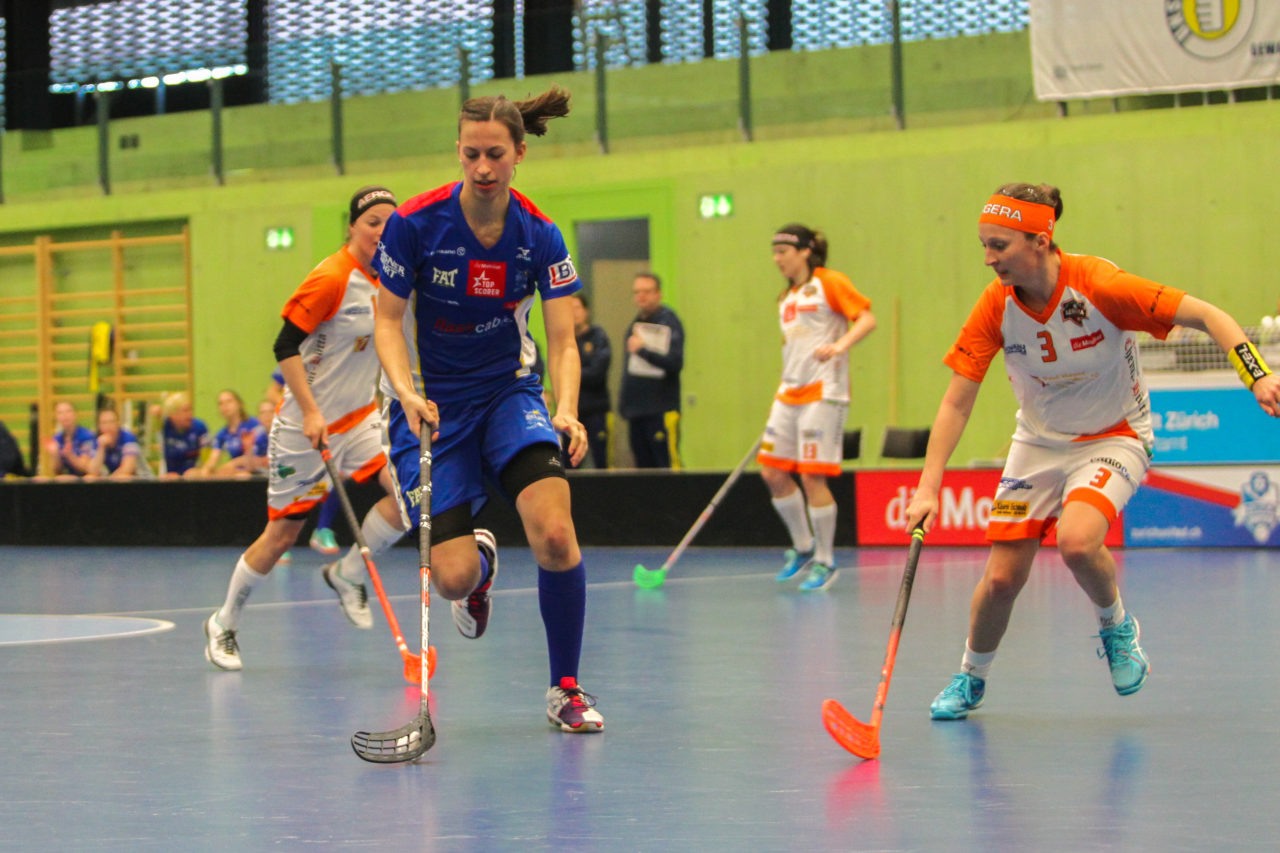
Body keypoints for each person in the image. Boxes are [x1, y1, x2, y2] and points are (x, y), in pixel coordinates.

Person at [905, 182, 1280, 721]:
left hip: (1114, 436)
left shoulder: (1101, 285)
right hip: (1037, 443)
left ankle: (1116, 627)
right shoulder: (996, 305)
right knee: (1003, 580)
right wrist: (927, 486)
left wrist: (1257, 375)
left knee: (1078, 542)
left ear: (1040, 239)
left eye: (1000, 246)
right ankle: (971, 677)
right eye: (983, 245)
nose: (988, 259)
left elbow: (1209, 315)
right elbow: (956, 403)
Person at [373, 85, 604, 733]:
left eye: (495, 154)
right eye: (471, 153)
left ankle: (566, 688)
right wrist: (406, 389)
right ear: (458, 151)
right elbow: (388, 322)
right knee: (449, 578)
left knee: (556, 533)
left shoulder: (540, 234)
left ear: (519, 154)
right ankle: (478, 568)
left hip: (509, 393)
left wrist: (568, 410)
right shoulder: (415, 224)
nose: (482, 167)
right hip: (432, 407)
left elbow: (562, 340)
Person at [203, 185, 409, 671]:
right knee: (281, 536)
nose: (382, 231)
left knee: (411, 495)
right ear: (352, 228)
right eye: (372, 222)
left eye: (389, 222)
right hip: (304, 426)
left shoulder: (396, 278)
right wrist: (312, 411)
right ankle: (224, 623)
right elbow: (284, 345)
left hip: (361, 418)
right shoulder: (332, 277)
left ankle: (348, 572)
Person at [760, 224, 876, 592]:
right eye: (774, 252)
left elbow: (867, 319)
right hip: (789, 394)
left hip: (824, 392)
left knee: (812, 476)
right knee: (772, 472)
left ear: (805, 251)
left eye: (784, 251)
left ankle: (826, 561)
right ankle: (803, 545)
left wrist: (840, 346)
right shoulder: (785, 297)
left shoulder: (830, 282)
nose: (777, 258)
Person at [618, 272, 684, 468]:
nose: (641, 297)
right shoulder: (636, 324)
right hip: (637, 412)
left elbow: (675, 363)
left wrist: (643, 351)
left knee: (666, 468)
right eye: (637, 292)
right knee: (643, 470)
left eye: (646, 291)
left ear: (658, 294)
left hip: (660, 412)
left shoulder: (669, 322)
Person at [570, 293, 611, 469]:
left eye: (577, 308)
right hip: (572, 415)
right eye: (569, 309)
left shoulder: (598, 337)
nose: (573, 313)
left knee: (601, 461)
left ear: (586, 311)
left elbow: (597, 373)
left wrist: (572, 373)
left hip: (597, 411)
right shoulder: (565, 342)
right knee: (570, 463)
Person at [196, 389, 264, 478]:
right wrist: (204, 472)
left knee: (241, 476)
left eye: (229, 401)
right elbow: (213, 459)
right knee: (193, 473)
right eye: (221, 403)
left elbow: (257, 458)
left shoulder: (254, 425)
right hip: (235, 473)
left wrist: (232, 464)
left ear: (239, 404)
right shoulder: (222, 433)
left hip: (258, 471)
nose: (225, 406)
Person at [159, 392, 210, 477]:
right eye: (185, 410)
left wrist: (200, 471)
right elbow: (153, 422)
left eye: (190, 409)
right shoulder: (165, 426)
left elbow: (208, 459)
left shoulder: (200, 426)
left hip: (193, 477)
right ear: (173, 414)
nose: (190, 414)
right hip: (171, 477)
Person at [86, 407, 144, 479]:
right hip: (112, 479)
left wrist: (108, 482)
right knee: (90, 478)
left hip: (140, 479)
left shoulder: (128, 437)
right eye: (104, 423)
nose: (108, 426)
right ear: (99, 426)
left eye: (112, 422)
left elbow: (127, 469)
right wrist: (101, 448)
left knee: (124, 477)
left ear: (118, 423)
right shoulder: (98, 440)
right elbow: (93, 471)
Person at [44, 400, 95, 478]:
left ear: (75, 414)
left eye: (68, 411)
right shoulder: (57, 439)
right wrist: (55, 454)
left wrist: (69, 455)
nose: (64, 415)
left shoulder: (87, 436)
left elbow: (85, 468)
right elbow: (57, 471)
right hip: (67, 479)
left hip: (85, 478)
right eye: (60, 413)